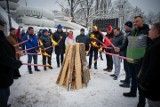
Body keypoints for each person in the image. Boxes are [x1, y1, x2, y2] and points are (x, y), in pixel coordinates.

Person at [115, 16, 150, 107]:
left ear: (143, 21)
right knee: (133, 78)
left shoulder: (147, 32)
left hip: (140, 62)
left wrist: (144, 60)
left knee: (140, 82)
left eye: (137, 21)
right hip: (130, 60)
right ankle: (133, 92)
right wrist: (119, 48)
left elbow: (151, 48)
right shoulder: (131, 33)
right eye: (134, 22)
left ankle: (142, 101)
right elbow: (125, 45)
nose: (135, 23)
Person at [0, 19, 22, 107]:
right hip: (2, 72)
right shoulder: (4, 38)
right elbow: (2, 57)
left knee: (6, 92)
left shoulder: (2, 37)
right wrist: (14, 63)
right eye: (1, 25)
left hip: (5, 71)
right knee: (3, 94)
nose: (2, 27)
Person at [137, 22, 160, 107]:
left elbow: (154, 68)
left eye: (151, 29)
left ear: (157, 32)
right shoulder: (154, 42)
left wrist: (145, 82)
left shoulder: (158, 46)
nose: (149, 31)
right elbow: (150, 58)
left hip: (154, 88)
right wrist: (141, 60)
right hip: (152, 86)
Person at [119, 21, 133, 88]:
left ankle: (128, 82)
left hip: (128, 53)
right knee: (125, 68)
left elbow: (128, 45)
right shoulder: (126, 33)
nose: (125, 27)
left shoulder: (131, 34)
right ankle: (126, 79)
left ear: (129, 26)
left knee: (128, 68)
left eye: (126, 26)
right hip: (125, 53)